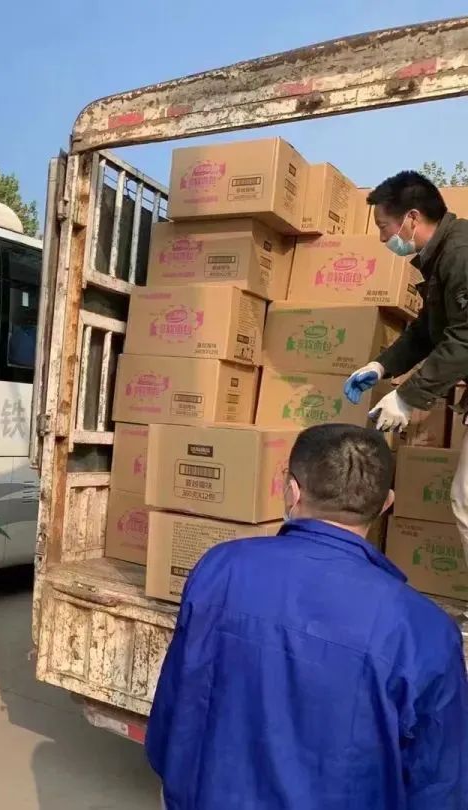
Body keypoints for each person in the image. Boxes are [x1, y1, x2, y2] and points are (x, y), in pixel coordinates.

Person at [146, 424, 468, 809]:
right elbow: (441, 785)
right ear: (386, 504)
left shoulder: (221, 568)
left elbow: (174, 706)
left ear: (292, 491)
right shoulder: (425, 630)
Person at [344, 173, 468, 562]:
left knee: (467, 502)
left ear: (412, 218)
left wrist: (407, 398)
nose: (383, 238)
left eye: (384, 226)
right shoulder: (442, 257)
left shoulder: (461, 254)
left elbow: (465, 338)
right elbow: (427, 332)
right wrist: (381, 366)